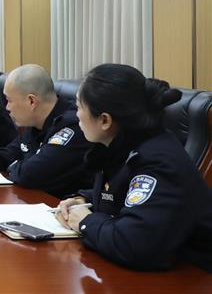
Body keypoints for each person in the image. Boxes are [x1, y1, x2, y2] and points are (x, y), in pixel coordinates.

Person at [55, 64, 212, 272]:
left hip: (193, 276)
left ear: (104, 120)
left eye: (78, 107)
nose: (76, 115)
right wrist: (84, 200)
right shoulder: (123, 145)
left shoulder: (158, 162)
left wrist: (86, 221)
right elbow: (124, 193)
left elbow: (134, 245)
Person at [0, 64, 92, 198]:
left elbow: (29, 175)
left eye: (9, 100)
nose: (7, 107)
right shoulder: (34, 122)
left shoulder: (72, 126)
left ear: (31, 101)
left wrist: (14, 165)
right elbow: (10, 153)